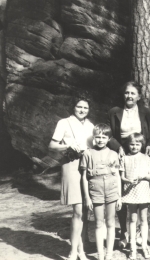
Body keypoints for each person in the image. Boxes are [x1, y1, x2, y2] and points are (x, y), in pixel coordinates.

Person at [107, 81, 150, 247]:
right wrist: (117, 148)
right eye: (126, 93)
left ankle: (140, 231)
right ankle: (124, 232)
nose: (129, 96)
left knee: (141, 191)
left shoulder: (146, 112)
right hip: (122, 155)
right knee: (123, 192)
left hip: (140, 154)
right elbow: (108, 135)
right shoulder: (114, 112)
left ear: (139, 96)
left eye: (132, 93)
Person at [48, 97, 94, 260]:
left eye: (85, 108)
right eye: (79, 106)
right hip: (71, 164)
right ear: (73, 107)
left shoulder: (90, 126)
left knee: (84, 210)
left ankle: (80, 250)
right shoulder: (64, 123)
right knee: (78, 210)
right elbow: (52, 146)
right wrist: (67, 146)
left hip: (88, 166)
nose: (82, 110)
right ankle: (73, 252)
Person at [80, 124, 122, 260]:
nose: (100, 140)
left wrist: (119, 197)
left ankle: (108, 254)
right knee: (98, 223)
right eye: (98, 137)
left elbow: (117, 176)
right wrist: (87, 197)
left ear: (109, 138)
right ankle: (100, 254)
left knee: (110, 223)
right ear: (93, 137)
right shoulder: (87, 154)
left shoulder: (113, 154)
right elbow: (84, 178)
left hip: (111, 192)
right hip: (95, 192)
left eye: (104, 137)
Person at [120, 133, 150, 259]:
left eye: (137, 144)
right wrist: (128, 181)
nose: (134, 147)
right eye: (132, 144)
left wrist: (143, 176)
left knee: (143, 219)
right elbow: (122, 177)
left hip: (143, 191)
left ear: (142, 145)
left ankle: (144, 246)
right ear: (128, 145)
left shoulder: (145, 158)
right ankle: (132, 248)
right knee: (133, 219)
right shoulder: (124, 158)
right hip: (130, 191)